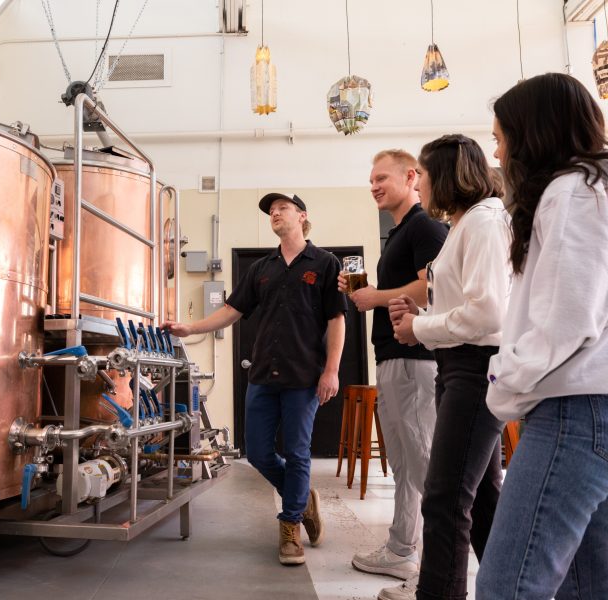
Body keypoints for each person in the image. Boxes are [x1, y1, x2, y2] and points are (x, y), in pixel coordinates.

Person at [476, 73, 608, 599]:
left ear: (534, 135)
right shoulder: (592, 187)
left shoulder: (572, 191)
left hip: (573, 409)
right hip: (591, 404)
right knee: (589, 584)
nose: (498, 150)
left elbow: (566, 322)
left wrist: (504, 381)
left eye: (501, 137)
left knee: (508, 584)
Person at [164, 193, 347, 566]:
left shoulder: (325, 263)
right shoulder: (262, 267)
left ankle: (291, 524)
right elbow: (231, 311)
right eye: (271, 211)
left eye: (282, 208)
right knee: (260, 453)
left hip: (304, 376)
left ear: (302, 215)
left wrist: (332, 370)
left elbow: (336, 320)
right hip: (263, 373)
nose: (275, 214)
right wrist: (190, 328)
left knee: (297, 453)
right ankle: (303, 499)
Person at [379, 135, 511, 600]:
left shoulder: (483, 222)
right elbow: (466, 304)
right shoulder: (466, 224)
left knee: (444, 498)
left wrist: (421, 330)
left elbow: (489, 315)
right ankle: (504, 588)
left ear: (447, 176)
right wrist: (421, 321)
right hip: (457, 366)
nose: (423, 186)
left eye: (427, 177)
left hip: (474, 369)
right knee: (483, 496)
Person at [340, 151, 447, 581]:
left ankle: (441, 565)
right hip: (392, 358)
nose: (374, 186)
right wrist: (365, 292)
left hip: (415, 359)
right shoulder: (400, 232)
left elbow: (430, 288)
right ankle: (403, 549)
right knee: (405, 463)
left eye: (381, 177)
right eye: (370, 180)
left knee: (423, 461)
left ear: (410, 176)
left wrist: (376, 297)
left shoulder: (424, 225)